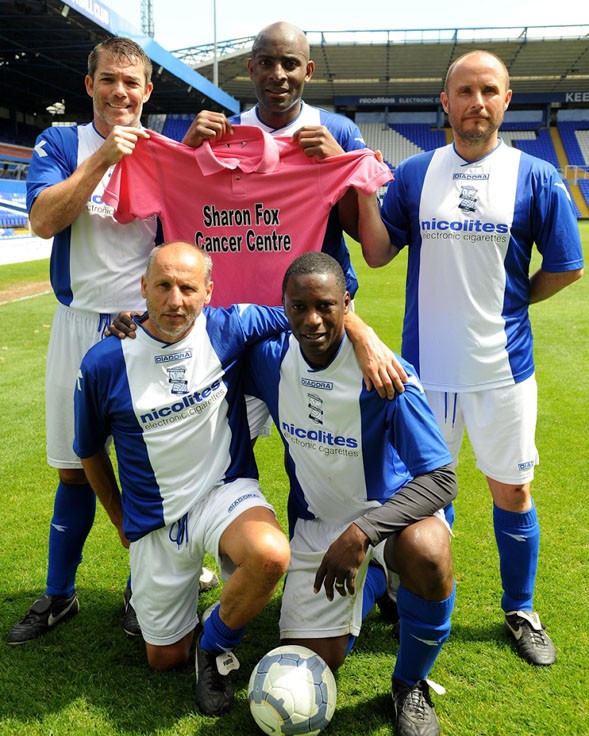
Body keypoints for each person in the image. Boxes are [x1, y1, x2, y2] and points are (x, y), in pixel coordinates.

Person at [72, 241, 398, 718]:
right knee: (164, 660)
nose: (175, 300)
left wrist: (363, 332)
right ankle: (171, 607)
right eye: (162, 286)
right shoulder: (104, 360)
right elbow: (88, 451)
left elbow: (307, 311)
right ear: (143, 288)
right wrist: (120, 518)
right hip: (155, 520)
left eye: (187, 287)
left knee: (270, 555)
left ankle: (216, 646)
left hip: (224, 492)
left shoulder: (229, 326)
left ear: (208, 291)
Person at [356, 50, 584, 667]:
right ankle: (421, 596)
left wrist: (516, 304)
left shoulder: (536, 177)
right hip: (423, 376)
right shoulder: (416, 174)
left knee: (512, 491)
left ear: (506, 100)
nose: (476, 102)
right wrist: (349, 187)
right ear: (445, 102)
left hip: (503, 372)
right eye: (464, 91)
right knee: (426, 498)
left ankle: (520, 609)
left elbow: (565, 265)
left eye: (489, 90)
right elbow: (377, 253)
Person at [4, 36, 216, 647]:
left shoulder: (161, 148)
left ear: (148, 91)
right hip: (78, 325)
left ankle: (142, 590)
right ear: (90, 84)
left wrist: (189, 153)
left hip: (148, 330)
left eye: (133, 83)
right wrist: (102, 160)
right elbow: (43, 221)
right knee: (74, 470)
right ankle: (59, 594)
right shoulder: (62, 143)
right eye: (109, 80)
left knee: (154, 471)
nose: (121, 92)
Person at [244, 252, 457, 736]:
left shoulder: (383, 373)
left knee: (427, 551)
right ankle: (377, 582)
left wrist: (364, 533)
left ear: (347, 305)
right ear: (284, 307)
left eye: (325, 306)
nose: (312, 320)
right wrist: (133, 325)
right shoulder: (269, 361)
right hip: (317, 523)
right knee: (317, 661)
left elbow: (442, 479)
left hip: (388, 519)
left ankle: (409, 685)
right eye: (299, 307)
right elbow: (201, 336)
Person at [181, 20, 366, 300]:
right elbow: (187, 213)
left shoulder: (339, 132)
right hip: (244, 303)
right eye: (266, 63)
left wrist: (340, 166)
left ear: (308, 71)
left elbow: (363, 233)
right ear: (251, 68)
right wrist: (186, 153)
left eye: (290, 64)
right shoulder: (223, 135)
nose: (277, 74)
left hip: (320, 304)